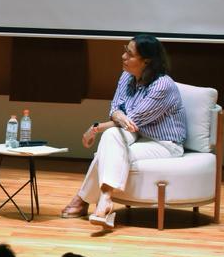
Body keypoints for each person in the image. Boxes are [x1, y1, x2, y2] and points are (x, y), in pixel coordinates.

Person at [61, 34, 186, 230]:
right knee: (111, 137)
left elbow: (133, 121)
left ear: (147, 61)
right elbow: (115, 109)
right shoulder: (127, 76)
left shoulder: (163, 85)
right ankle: (104, 200)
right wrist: (118, 115)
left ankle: (86, 200)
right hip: (138, 135)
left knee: (107, 151)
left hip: (165, 144)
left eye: (130, 54)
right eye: (125, 50)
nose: (123, 56)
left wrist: (95, 128)